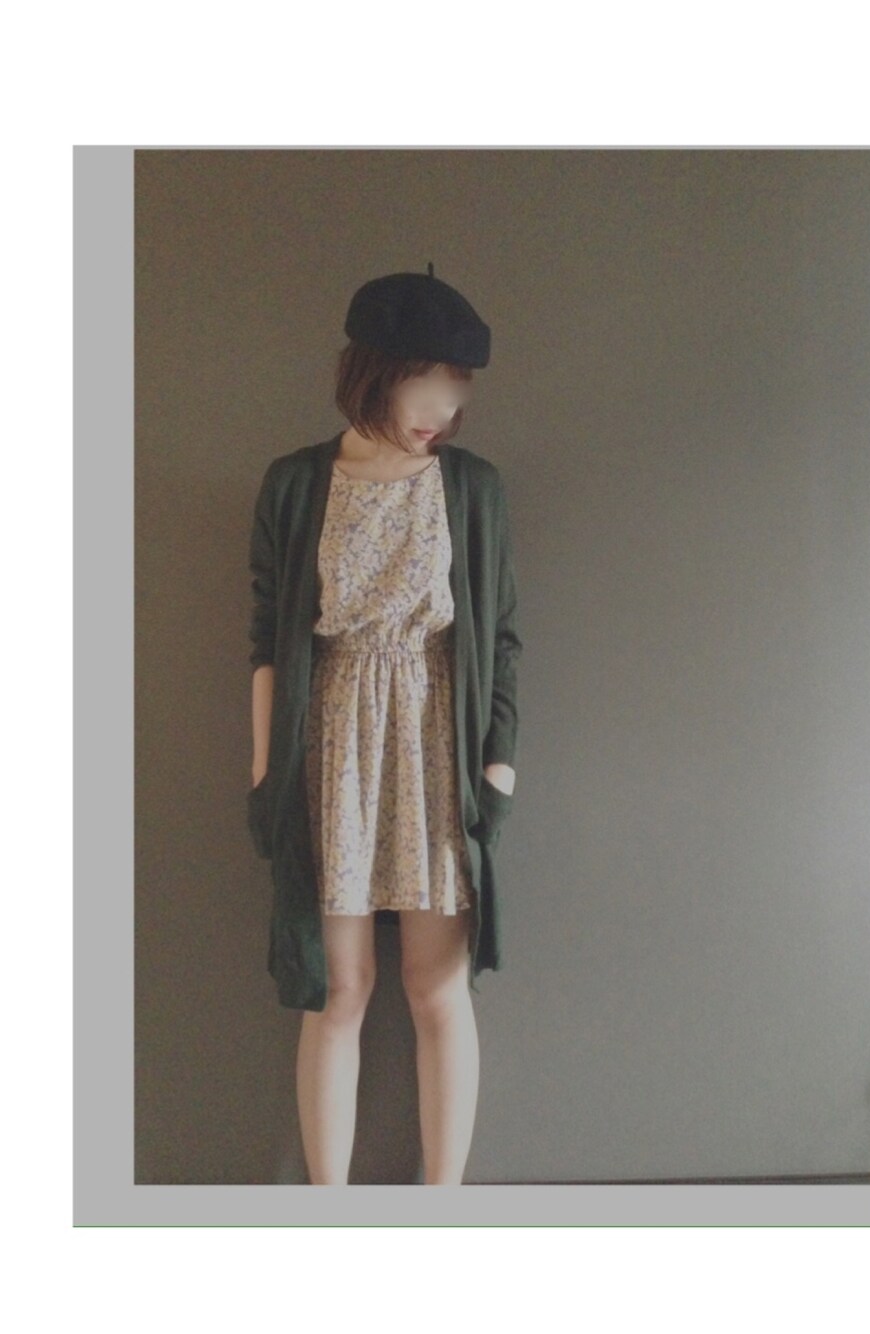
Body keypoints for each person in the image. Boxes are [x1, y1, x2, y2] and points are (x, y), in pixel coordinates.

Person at [246, 265, 523, 1185]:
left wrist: (499, 768)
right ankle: (328, 1213)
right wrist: (265, 774)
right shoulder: (297, 484)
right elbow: (268, 640)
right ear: (375, 372)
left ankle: (440, 1209)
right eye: (428, 383)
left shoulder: (472, 488)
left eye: (458, 388)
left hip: (434, 746)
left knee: (436, 987)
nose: (446, 408)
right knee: (338, 991)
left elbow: (502, 638)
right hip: (331, 747)